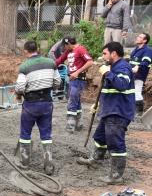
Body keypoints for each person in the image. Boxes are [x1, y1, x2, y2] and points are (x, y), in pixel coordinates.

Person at [77, 42, 135, 184]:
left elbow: (121, 85)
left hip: (118, 112)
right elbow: (110, 90)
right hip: (109, 110)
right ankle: (96, 160)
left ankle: (116, 176)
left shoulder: (122, 67)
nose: (103, 57)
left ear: (113, 53)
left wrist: (107, 73)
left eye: (105, 54)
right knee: (101, 137)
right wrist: (98, 105)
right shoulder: (115, 67)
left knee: (115, 142)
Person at [15, 40, 62, 175]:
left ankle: (25, 163)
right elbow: (57, 82)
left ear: (26, 52)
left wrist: (18, 94)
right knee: (46, 134)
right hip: (47, 103)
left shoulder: (24, 66)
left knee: (25, 134)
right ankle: (48, 165)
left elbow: (20, 87)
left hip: (31, 104)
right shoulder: (51, 63)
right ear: (38, 48)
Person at [55, 35, 94, 133]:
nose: (64, 48)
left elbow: (90, 62)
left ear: (68, 44)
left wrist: (78, 72)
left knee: (72, 101)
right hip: (72, 80)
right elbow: (59, 60)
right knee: (76, 100)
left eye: (64, 45)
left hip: (79, 80)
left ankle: (70, 126)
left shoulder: (81, 50)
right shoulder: (68, 52)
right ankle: (79, 124)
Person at [129, 33, 152, 116]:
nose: (137, 38)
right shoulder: (136, 49)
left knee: (137, 91)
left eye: (140, 37)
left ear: (144, 40)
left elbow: (146, 62)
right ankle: (133, 109)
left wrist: (138, 66)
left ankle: (139, 111)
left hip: (139, 74)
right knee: (132, 91)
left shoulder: (147, 50)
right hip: (132, 73)